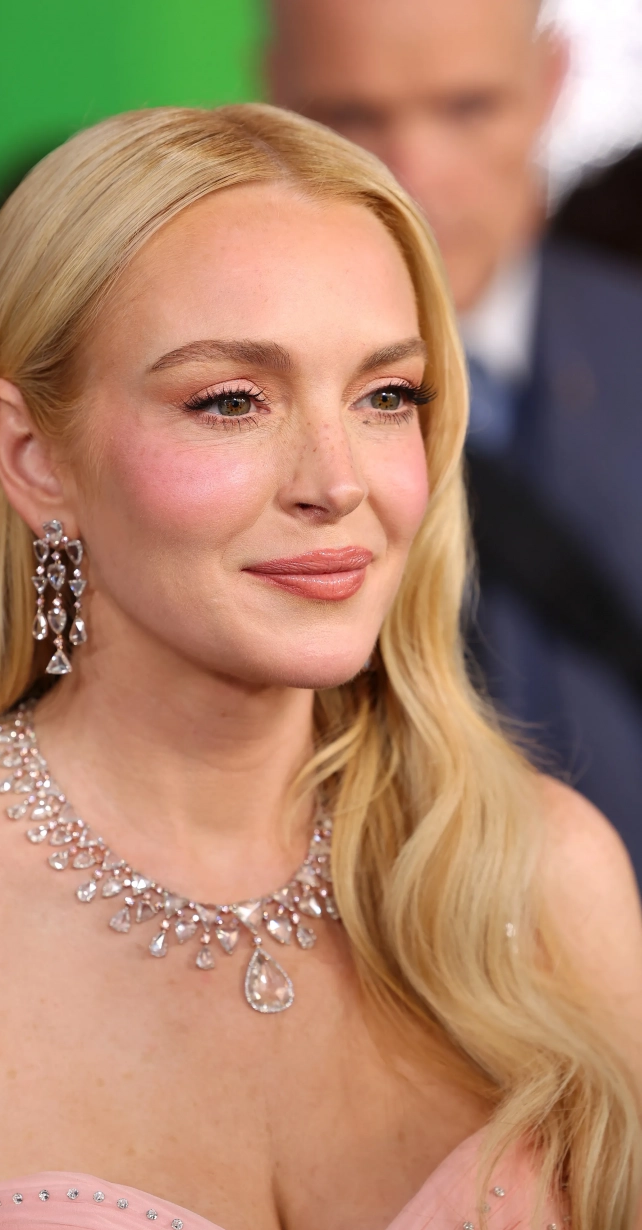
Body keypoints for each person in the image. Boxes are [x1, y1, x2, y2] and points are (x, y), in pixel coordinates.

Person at [0, 105, 640, 1230]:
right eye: (232, 400)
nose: (336, 481)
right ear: (33, 456)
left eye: (386, 396)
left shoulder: (551, 879)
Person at [269, 0, 642, 870]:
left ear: (552, 81)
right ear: (276, 92)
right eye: (354, 116)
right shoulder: (206, 392)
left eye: (469, 107)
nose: (413, 172)